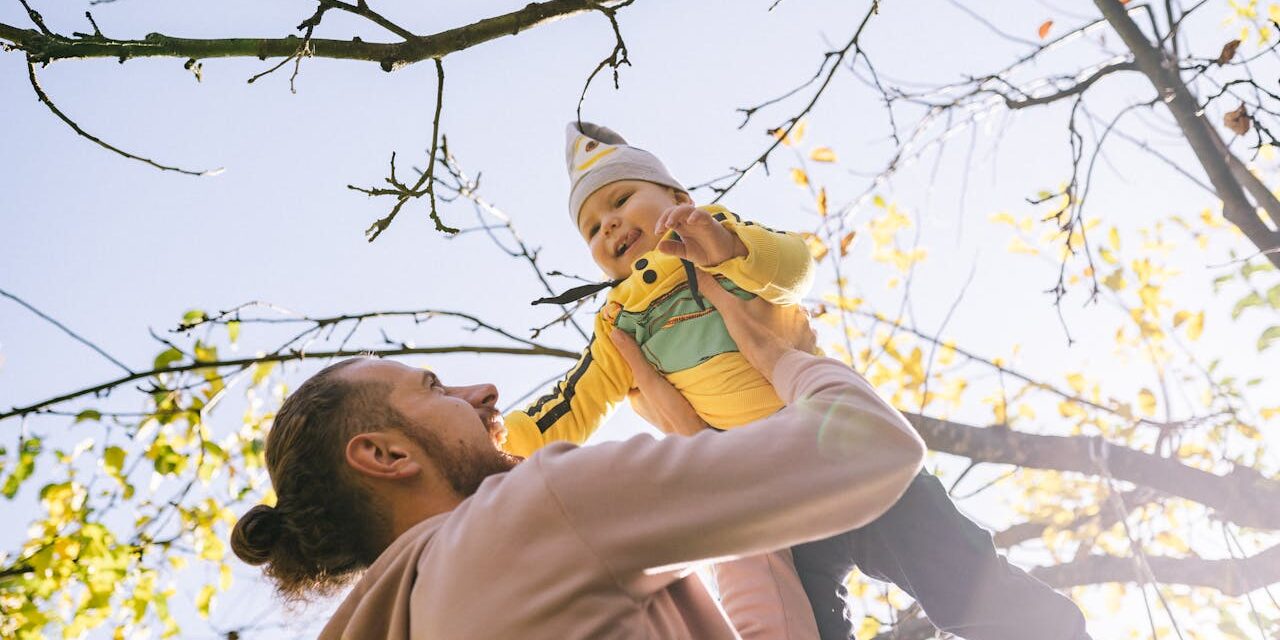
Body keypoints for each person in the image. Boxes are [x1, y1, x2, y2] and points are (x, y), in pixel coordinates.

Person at [497, 121, 1092, 639]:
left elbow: (795, 267)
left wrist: (727, 248)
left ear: (677, 197)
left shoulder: (719, 237)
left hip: (833, 444)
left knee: (958, 581)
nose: (609, 226)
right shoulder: (617, 323)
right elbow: (571, 406)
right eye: (592, 229)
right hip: (769, 493)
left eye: (621, 200)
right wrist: (497, 438)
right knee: (804, 626)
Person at [229, 279, 927, 639]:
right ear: (384, 454)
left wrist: (695, 441)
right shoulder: (534, 509)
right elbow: (870, 446)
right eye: (435, 388)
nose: (484, 391)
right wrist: (783, 356)